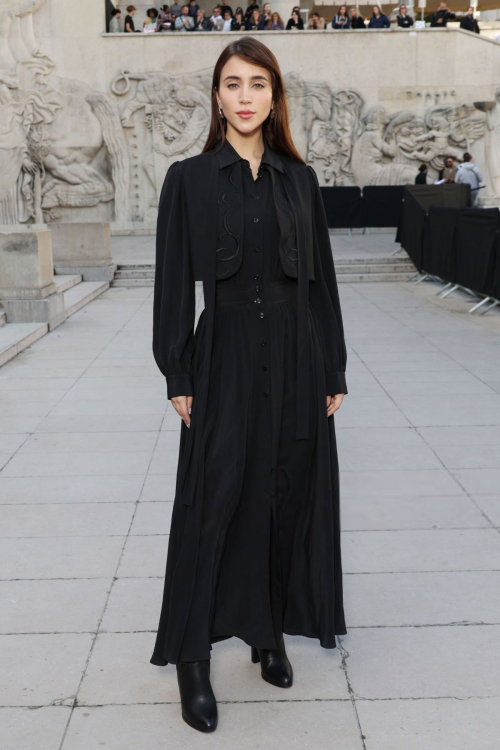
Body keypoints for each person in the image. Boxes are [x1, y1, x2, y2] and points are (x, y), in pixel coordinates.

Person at [150, 36, 348, 734]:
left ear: (274, 96)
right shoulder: (190, 179)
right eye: (232, 83)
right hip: (225, 358)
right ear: (216, 96)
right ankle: (193, 660)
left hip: (297, 359)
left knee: (281, 495)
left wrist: (333, 368)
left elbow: (320, 280)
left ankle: (268, 633)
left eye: (257, 84)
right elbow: (175, 282)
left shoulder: (300, 180)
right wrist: (177, 369)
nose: (244, 96)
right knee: (214, 502)